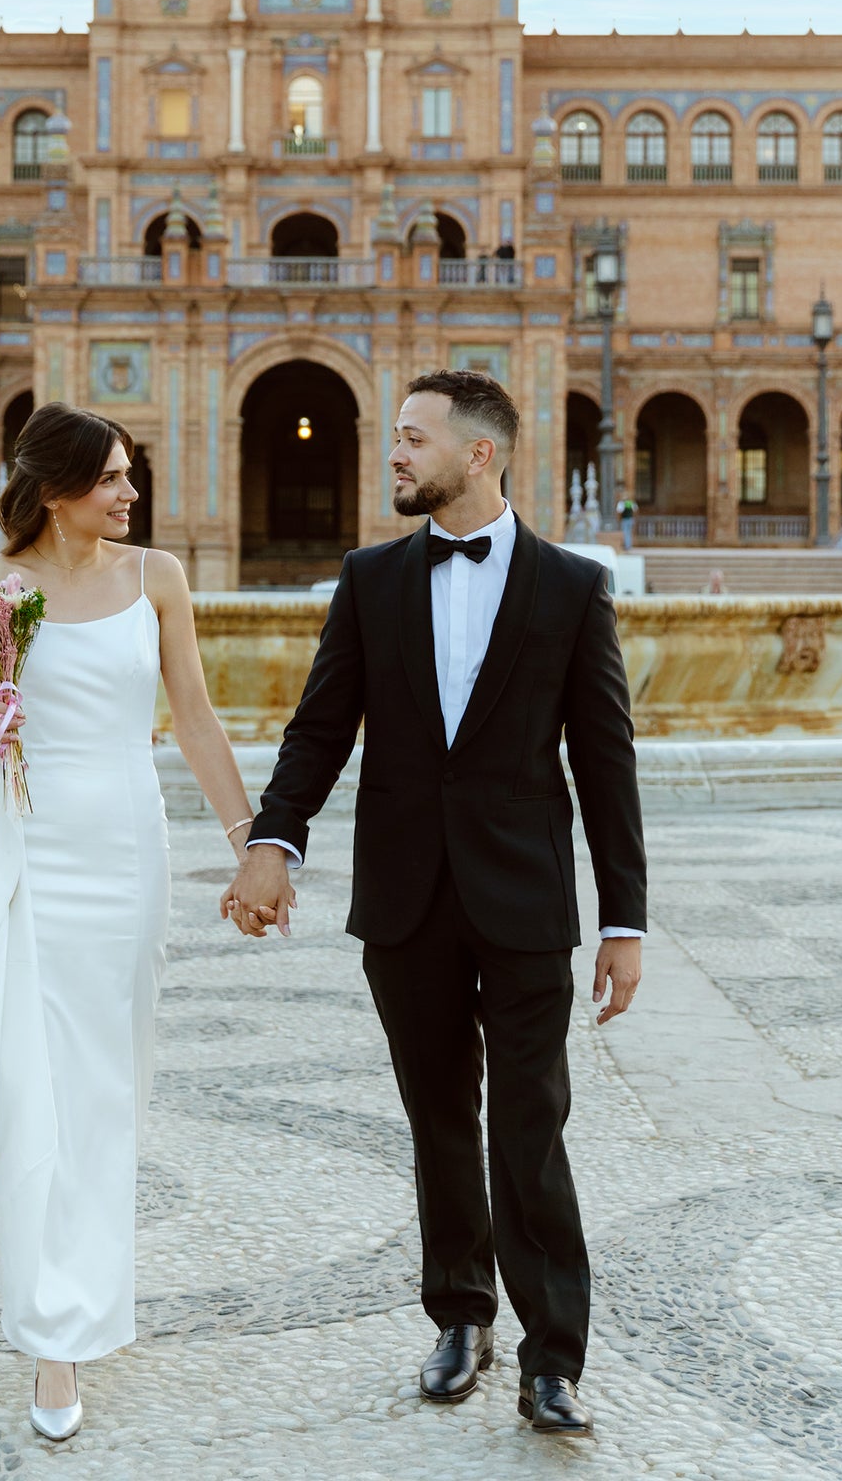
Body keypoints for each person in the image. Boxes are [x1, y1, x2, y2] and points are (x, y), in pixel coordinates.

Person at [223, 369, 646, 1441]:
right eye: (395, 439)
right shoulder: (368, 579)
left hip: (522, 901)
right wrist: (273, 839)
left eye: (412, 438)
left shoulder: (571, 585)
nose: (394, 455)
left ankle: (553, 1356)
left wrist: (623, 919)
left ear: (479, 453)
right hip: (404, 900)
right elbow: (319, 727)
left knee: (528, 1124)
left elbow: (605, 764)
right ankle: (460, 1315)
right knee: (437, 1122)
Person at [0, 402, 255, 1442]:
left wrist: (251, 840)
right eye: (110, 479)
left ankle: (78, 1306)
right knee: (31, 1085)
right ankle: (54, 1336)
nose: (129, 494)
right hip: (27, 855)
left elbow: (193, 714)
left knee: (101, 1088)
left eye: (131, 475)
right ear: (51, 489)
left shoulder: (158, 579)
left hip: (124, 855)